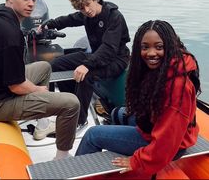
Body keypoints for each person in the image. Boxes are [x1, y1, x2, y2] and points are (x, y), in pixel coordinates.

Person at [0, 0, 80, 160]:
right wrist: (39, 90)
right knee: (71, 103)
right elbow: (17, 86)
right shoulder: (9, 34)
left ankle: (43, 124)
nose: (31, 4)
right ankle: (62, 157)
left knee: (44, 67)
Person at [75, 20, 201, 175]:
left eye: (159, 47)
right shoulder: (166, 66)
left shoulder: (177, 87)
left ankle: (78, 174)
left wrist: (138, 160)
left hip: (170, 145)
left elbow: (167, 142)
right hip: (156, 125)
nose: (151, 53)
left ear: (169, 46)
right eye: (145, 47)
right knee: (118, 113)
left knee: (92, 135)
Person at [41, 0, 130, 128]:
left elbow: (108, 48)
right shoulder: (87, 15)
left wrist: (87, 65)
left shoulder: (114, 17)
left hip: (116, 59)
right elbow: (69, 20)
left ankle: (79, 120)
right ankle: (70, 103)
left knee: (87, 75)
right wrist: (49, 24)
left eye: (88, 4)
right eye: (82, 9)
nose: (87, 10)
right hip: (96, 56)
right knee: (57, 64)